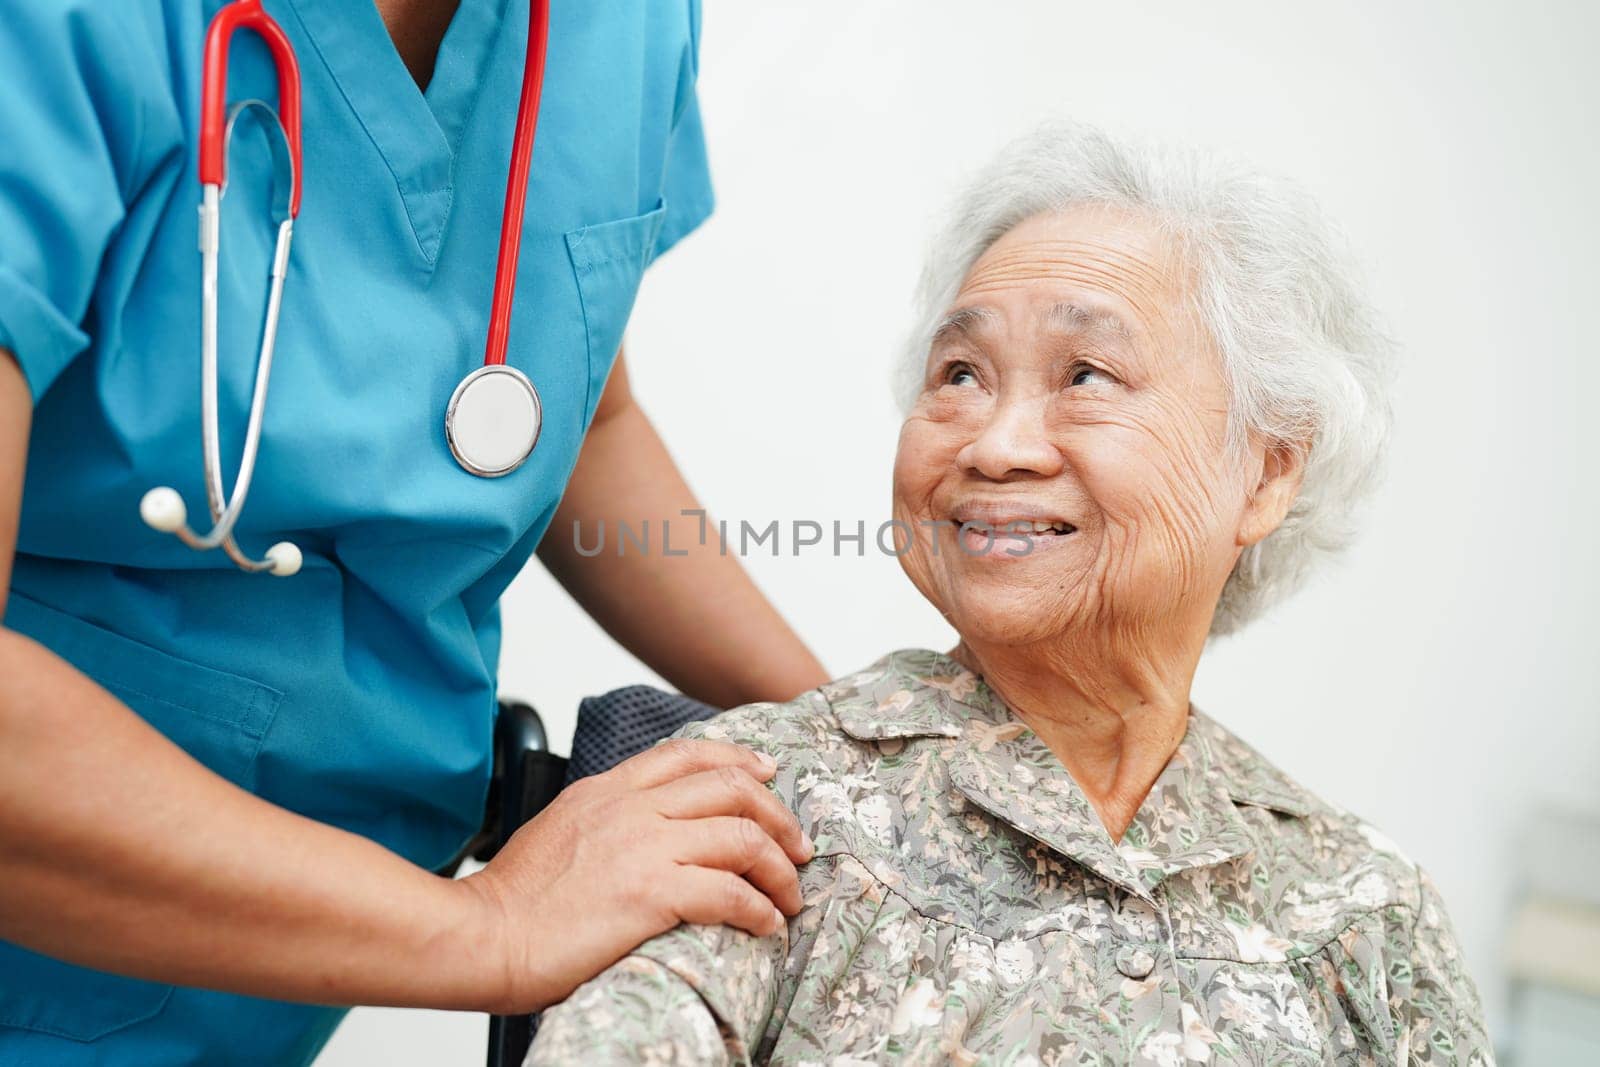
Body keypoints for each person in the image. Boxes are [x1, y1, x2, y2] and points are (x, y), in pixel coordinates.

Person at [524, 122, 1495, 1065]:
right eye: (959, 374)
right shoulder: (746, 803)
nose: (995, 444)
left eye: (1085, 374)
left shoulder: (1365, 908)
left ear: (1268, 471)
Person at [0, 1, 828, 1063]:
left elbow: (565, 412)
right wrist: (494, 927)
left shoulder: (620, 27)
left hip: (262, 994)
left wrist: (854, 736)